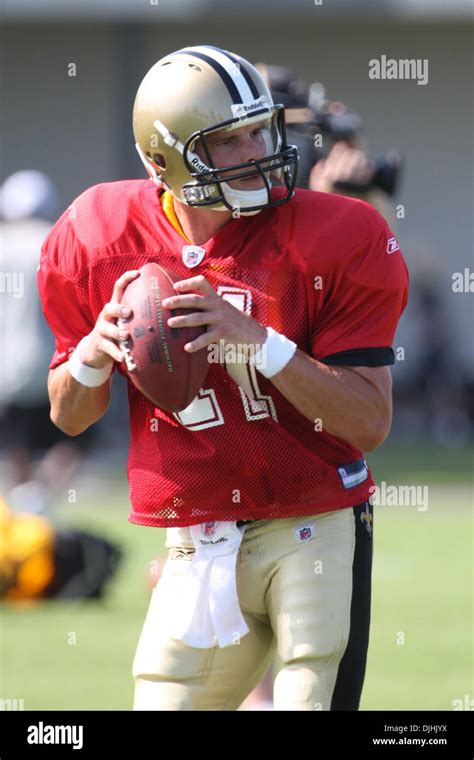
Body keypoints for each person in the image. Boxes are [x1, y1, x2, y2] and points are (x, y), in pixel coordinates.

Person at [38, 45, 409, 711]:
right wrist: (95, 352)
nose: (257, 151)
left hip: (314, 517)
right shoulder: (98, 234)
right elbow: (68, 414)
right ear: (162, 161)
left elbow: (367, 423)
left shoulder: (337, 233)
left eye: (259, 130)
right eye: (227, 141)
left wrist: (260, 344)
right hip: (197, 530)